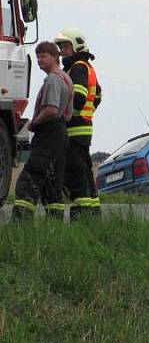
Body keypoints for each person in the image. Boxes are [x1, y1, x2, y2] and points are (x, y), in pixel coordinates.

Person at [12, 42, 73, 220]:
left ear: (55, 57)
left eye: (44, 56)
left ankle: (20, 223)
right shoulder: (67, 79)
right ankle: (55, 223)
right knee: (53, 183)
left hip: (48, 134)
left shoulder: (53, 79)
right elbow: (68, 115)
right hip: (61, 134)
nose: (39, 60)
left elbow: (52, 109)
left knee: (28, 180)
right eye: (38, 56)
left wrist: (34, 123)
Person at [54, 28, 103, 220]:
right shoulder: (86, 67)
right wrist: (87, 114)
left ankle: (80, 214)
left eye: (64, 46)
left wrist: (67, 114)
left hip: (74, 129)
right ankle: (93, 212)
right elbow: (97, 96)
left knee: (75, 173)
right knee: (84, 171)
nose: (61, 51)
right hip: (83, 128)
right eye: (59, 47)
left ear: (76, 46)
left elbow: (79, 98)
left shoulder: (77, 68)